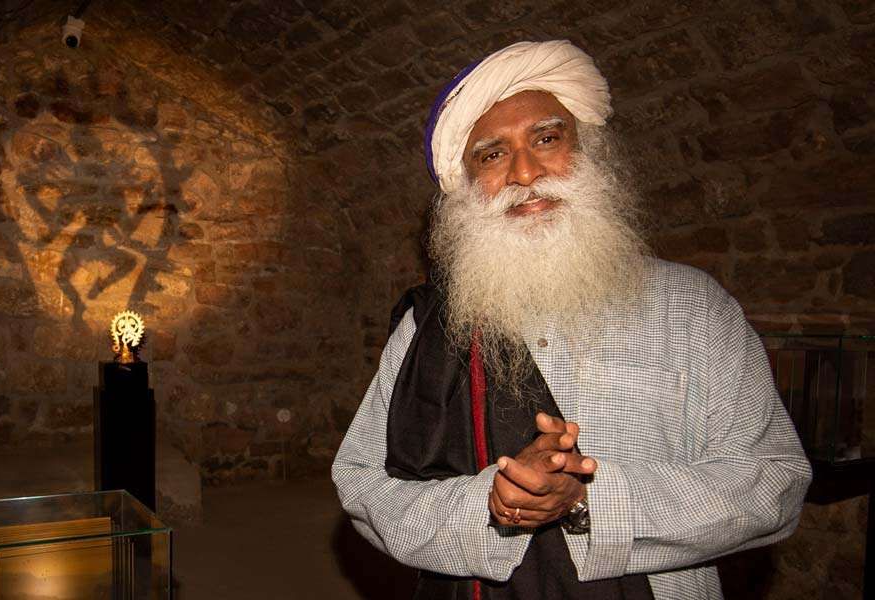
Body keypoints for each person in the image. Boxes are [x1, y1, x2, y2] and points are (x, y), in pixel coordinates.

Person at [331, 40, 811, 599]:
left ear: (586, 152)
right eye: (492, 154)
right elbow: (362, 483)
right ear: (465, 189)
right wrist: (493, 502)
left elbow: (774, 482)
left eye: (546, 138)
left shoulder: (692, 306)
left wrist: (590, 500)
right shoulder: (430, 324)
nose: (525, 172)